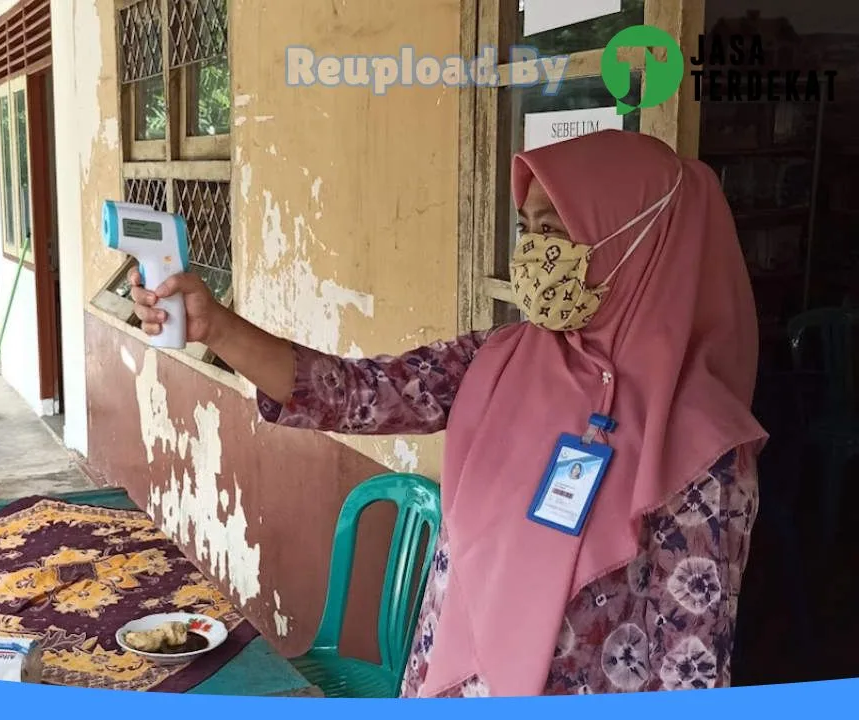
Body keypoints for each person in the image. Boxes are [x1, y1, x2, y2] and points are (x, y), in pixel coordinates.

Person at [128, 130, 766, 696]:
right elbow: (355, 393)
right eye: (529, 230)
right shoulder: (498, 359)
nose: (536, 253)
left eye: (559, 229)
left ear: (638, 239)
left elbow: (692, 660)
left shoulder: (702, 445)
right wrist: (218, 328)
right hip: (455, 680)